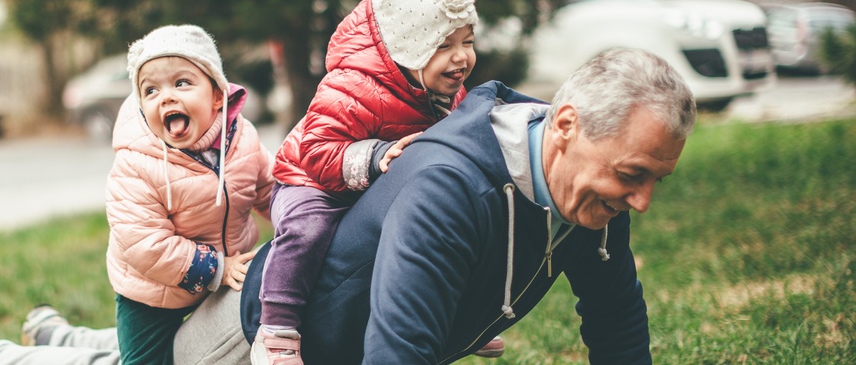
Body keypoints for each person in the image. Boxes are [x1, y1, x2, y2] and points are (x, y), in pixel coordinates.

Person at [242, 47, 697, 364]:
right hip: (266, 339)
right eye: (632, 174)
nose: (642, 201)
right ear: (565, 126)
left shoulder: (596, 194)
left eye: (655, 180)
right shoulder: (450, 187)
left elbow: (615, 318)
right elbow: (399, 353)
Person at [0, 24, 274, 365]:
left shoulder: (243, 141)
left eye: (182, 82)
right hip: (152, 293)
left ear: (218, 95)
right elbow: (144, 244)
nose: (166, 96)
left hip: (221, 274)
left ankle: (58, 338)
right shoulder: (137, 163)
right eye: (151, 90)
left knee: (182, 346)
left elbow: (269, 189)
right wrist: (215, 268)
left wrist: (293, 216)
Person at [254, 0, 505, 363]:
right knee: (307, 229)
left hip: (377, 184)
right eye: (443, 45)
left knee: (447, 224)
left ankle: (463, 314)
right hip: (310, 180)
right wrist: (374, 157)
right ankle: (276, 327)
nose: (461, 57)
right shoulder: (351, 85)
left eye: (467, 42)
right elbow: (317, 150)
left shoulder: (447, 93)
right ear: (406, 47)